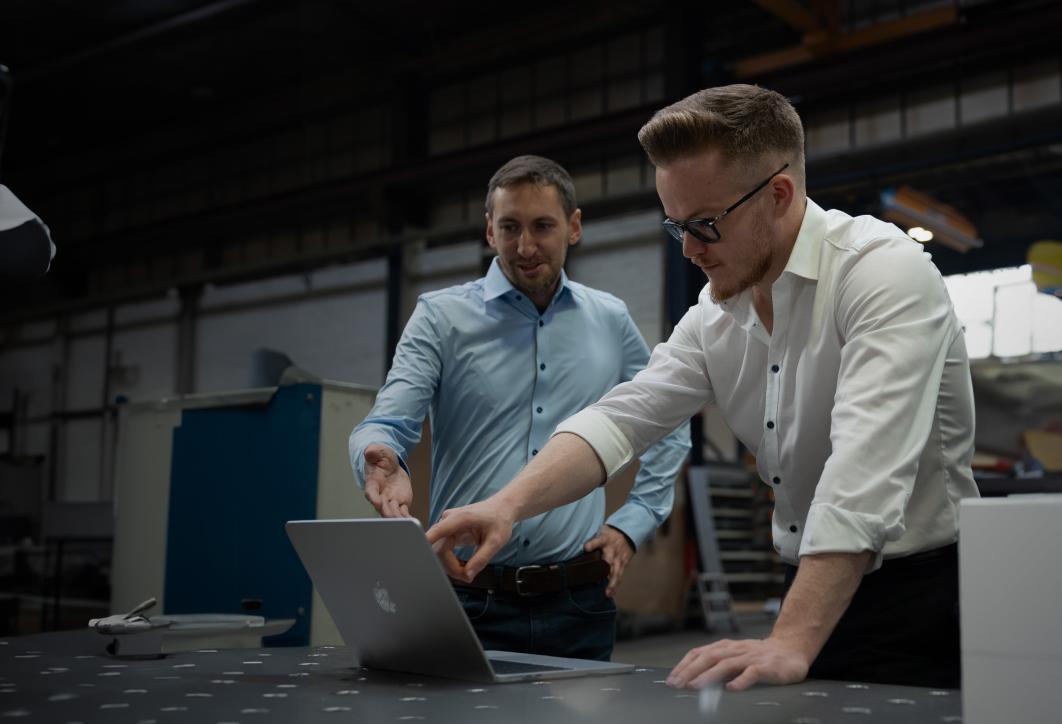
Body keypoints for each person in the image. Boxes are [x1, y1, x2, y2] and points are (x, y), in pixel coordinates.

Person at [426, 85, 978, 690]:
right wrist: (505, 505)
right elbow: (619, 420)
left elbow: (863, 472)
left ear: (778, 195)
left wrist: (791, 639)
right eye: (675, 226)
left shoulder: (882, 274)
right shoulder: (717, 314)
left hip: (921, 603)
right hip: (813, 589)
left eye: (705, 224)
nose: (689, 248)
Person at [349, 154, 690, 662]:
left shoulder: (610, 320)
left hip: (578, 602)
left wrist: (632, 522)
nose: (525, 247)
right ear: (490, 230)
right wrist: (378, 453)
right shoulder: (441, 318)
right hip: (468, 596)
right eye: (509, 227)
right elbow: (387, 419)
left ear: (574, 227)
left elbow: (667, 422)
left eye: (542, 226)